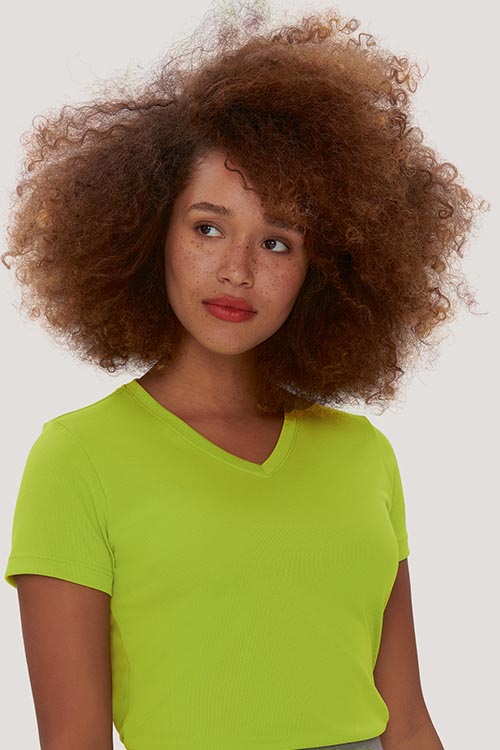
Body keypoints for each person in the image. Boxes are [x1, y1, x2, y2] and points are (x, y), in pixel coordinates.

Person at [2, 1, 488, 748]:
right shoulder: (78, 459)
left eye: (277, 242)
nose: (237, 269)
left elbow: (409, 722)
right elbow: (74, 741)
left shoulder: (363, 454)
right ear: (149, 231)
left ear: (324, 267)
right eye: (208, 227)